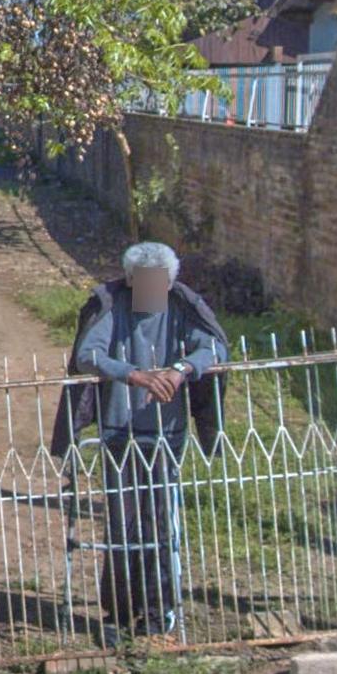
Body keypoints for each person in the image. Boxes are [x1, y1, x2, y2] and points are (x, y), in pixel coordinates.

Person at [51, 242, 228, 640]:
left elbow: (214, 347)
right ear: (130, 280)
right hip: (119, 433)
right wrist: (134, 375)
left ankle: (157, 614)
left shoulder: (183, 305)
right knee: (122, 525)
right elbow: (88, 355)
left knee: (160, 526)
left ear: (170, 281)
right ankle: (118, 615)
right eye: (143, 282)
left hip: (167, 436)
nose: (151, 291)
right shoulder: (111, 305)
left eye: (159, 283)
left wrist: (181, 369)